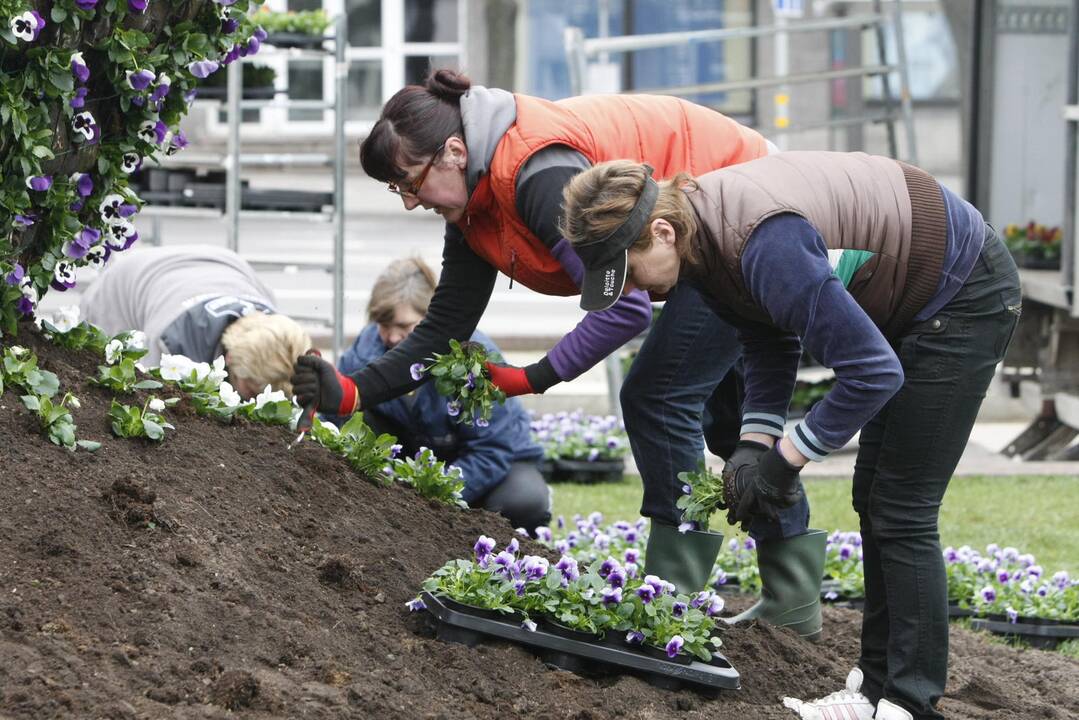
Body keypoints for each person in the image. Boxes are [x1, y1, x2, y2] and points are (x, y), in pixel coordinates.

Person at [291, 70, 819, 618]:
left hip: (740, 200)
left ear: (452, 151)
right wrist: (352, 390)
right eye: (396, 190)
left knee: (658, 398)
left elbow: (623, 305)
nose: (408, 202)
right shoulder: (476, 199)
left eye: (410, 182)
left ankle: (672, 604)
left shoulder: (536, 175)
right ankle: (792, 602)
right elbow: (444, 326)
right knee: (728, 419)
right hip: (710, 217)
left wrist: (529, 378)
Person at [560, 153, 1020, 720]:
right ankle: (874, 686)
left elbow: (873, 372)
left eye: (628, 271)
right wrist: (756, 440)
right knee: (873, 498)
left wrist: (787, 459)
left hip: (961, 292)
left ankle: (907, 701)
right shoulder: (701, 244)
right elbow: (771, 334)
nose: (634, 289)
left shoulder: (761, 240)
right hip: (916, 298)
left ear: (659, 231)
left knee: (901, 507)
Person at [331, 257, 550, 531]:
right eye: (383, 325)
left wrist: (434, 494)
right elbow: (338, 416)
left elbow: (492, 449)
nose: (391, 337)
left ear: (432, 317)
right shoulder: (366, 349)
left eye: (404, 326)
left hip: (490, 462)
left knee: (523, 501)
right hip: (415, 458)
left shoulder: (473, 358)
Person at [80, 244, 311, 398]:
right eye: (252, 389)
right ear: (230, 358)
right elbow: (150, 401)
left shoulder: (274, 324)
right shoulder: (170, 341)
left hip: (216, 263)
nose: (259, 397)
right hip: (122, 287)